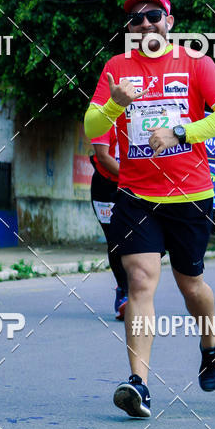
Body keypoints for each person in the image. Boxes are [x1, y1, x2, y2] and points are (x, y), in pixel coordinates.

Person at [84, 0, 215, 418]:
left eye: (154, 14)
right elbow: (91, 123)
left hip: (191, 194)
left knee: (191, 285)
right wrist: (115, 104)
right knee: (139, 281)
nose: (145, 22)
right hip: (136, 195)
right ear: (130, 29)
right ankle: (139, 384)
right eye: (136, 18)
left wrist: (180, 133)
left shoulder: (196, 62)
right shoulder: (117, 68)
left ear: (169, 22)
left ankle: (210, 342)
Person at [90, 125, 129, 319]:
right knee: (115, 241)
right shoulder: (102, 113)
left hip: (139, 186)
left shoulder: (146, 108)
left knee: (142, 239)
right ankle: (124, 291)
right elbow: (103, 156)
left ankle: (137, 289)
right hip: (106, 186)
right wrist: (132, 177)